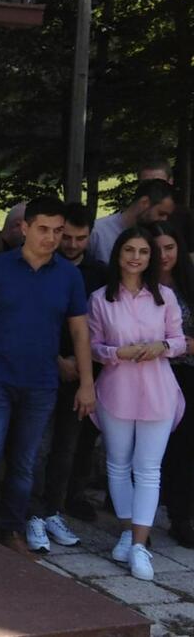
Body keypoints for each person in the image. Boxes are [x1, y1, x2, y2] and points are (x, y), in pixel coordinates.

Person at [0, 197, 96, 556]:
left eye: (58, 231)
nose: (51, 238)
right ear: (25, 228)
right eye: (43, 229)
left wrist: (87, 383)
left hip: (41, 384)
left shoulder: (69, 275)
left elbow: (80, 332)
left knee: (26, 462)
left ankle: (11, 529)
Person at [88, 227, 185, 580]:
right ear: (118, 254)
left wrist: (164, 346)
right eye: (129, 250)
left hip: (158, 390)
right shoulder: (101, 299)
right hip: (117, 389)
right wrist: (118, 353)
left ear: (151, 258)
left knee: (148, 469)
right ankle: (129, 532)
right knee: (117, 464)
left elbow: (179, 340)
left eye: (143, 252)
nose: (135, 257)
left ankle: (141, 545)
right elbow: (93, 346)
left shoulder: (165, 297)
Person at [26, 203, 106, 552]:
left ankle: (53, 511)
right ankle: (32, 513)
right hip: (43, 367)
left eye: (79, 238)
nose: (71, 244)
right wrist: (58, 359)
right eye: (65, 236)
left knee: (67, 448)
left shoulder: (99, 274)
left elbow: (96, 326)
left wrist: (83, 371)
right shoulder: (42, 266)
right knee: (37, 447)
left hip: (82, 370)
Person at [148, 221, 194, 548]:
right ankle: (139, 521)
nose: (164, 255)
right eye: (157, 249)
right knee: (149, 448)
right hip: (151, 374)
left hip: (187, 374)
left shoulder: (188, 284)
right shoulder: (138, 284)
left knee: (185, 447)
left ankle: (181, 516)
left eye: (170, 248)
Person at [90, 179, 177, 264]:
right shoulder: (98, 232)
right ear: (144, 202)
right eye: (161, 213)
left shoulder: (156, 235)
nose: (164, 220)